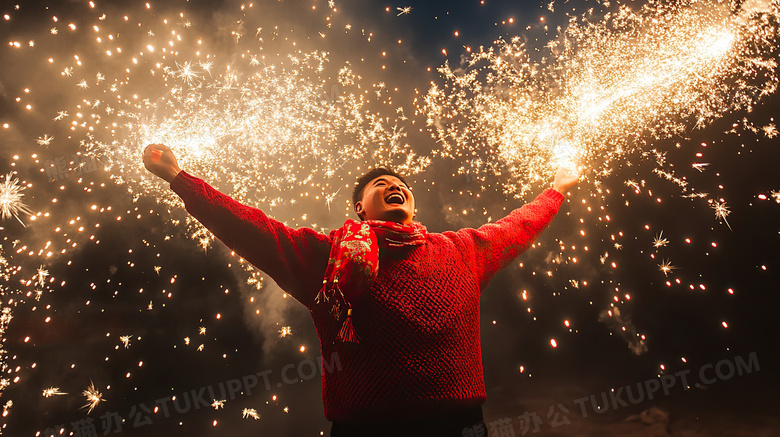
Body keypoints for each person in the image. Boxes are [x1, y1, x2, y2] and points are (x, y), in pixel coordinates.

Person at [142, 143, 578, 436]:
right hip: (366, 430)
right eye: (379, 184)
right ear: (359, 207)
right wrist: (179, 178)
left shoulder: (461, 250)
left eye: (401, 184)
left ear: (412, 204)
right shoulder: (326, 257)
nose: (395, 185)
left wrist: (556, 191)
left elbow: (517, 226)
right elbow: (254, 230)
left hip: (460, 425)